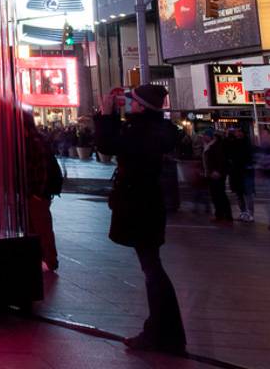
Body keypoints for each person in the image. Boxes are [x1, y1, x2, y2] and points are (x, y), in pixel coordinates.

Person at [94, 85, 187, 356]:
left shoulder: (143, 132)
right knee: (151, 267)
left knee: (152, 271)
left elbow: (107, 145)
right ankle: (164, 331)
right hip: (147, 204)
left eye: (132, 101)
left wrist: (106, 114)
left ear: (142, 106)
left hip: (139, 205)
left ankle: (161, 332)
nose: (129, 104)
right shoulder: (152, 130)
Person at [23, 113, 62, 274]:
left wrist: (38, 193)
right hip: (33, 192)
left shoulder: (34, 142)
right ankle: (41, 258)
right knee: (35, 226)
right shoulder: (31, 140)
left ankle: (50, 260)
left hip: (37, 193)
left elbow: (41, 168)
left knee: (41, 227)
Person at [201, 127, 233, 224]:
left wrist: (218, 171)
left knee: (220, 194)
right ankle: (219, 214)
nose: (204, 137)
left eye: (205, 135)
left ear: (210, 136)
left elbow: (221, 160)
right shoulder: (208, 145)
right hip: (211, 174)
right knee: (215, 195)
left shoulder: (215, 146)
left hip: (217, 174)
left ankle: (227, 216)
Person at [225, 125, 255, 222]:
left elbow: (247, 156)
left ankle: (250, 213)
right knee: (239, 194)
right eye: (236, 131)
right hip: (236, 172)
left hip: (245, 171)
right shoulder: (233, 142)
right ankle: (243, 212)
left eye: (239, 131)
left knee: (247, 194)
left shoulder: (246, 143)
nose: (237, 133)